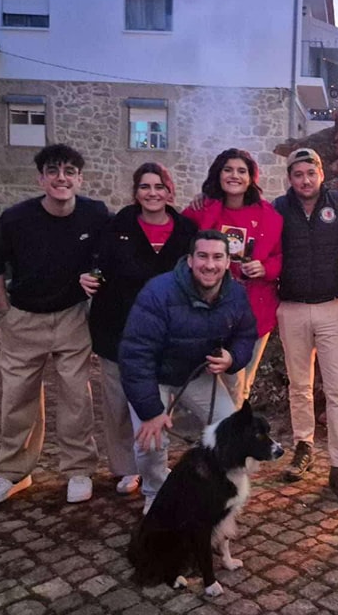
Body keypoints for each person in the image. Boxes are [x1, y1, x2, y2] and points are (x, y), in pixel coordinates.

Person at [0, 144, 109, 507]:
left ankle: (79, 469)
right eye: (53, 171)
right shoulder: (16, 219)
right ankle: (14, 473)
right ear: (41, 178)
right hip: (24, 319)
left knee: (75, 396)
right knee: (17, 398)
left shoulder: (95, 214)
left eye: (69, 171)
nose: (61, 178)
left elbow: (111, 253)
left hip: (71, 316)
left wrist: (96, 277)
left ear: (80, 178)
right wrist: (5, 310)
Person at [119, 230, 258, 514]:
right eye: (203, 256)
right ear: (191, 260)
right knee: (150, 442)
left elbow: (246, 335)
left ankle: (218, 486)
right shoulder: (158, 292)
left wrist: (232, 358)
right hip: (155, 376)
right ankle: (156, 491)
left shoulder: (236, 294)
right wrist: (151, 411)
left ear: (228, 260)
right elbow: (136, 355)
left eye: (218, 257)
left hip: (196, 375)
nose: (210, 264)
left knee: (230, 428)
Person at [79, 163, 196, 497]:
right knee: (118, 403)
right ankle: (126, 467)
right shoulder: (117, 227)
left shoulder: (186, 230)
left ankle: (155, 465)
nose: (153, 193)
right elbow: (95, 263)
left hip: (167, 334)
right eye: (145, 187)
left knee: (157, 405)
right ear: (136, 192)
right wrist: (87, 276)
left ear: (170, 191)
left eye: (159, 186)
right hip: (118, 328)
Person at [273, 148, 338, 500]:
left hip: (330, 308)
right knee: (299, 385)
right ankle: (303, 446)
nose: (305, 180)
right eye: (298, 174)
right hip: (291, 308)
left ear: (321, 174)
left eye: (311, 173)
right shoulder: (277, 208)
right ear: (290, 178)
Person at [182, 149, 282, 406]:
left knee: (241, 384)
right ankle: (225, 436)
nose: (234, 176)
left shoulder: (268, 216)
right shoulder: (202, 209)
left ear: (251, 177)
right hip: (210, 310)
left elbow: (282, 257)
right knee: (218, 383)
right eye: (228, 170)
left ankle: (228, 438)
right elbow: (180, 244)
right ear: (218, 174)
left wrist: (265, 268)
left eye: (241, 171)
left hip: (254, 311)